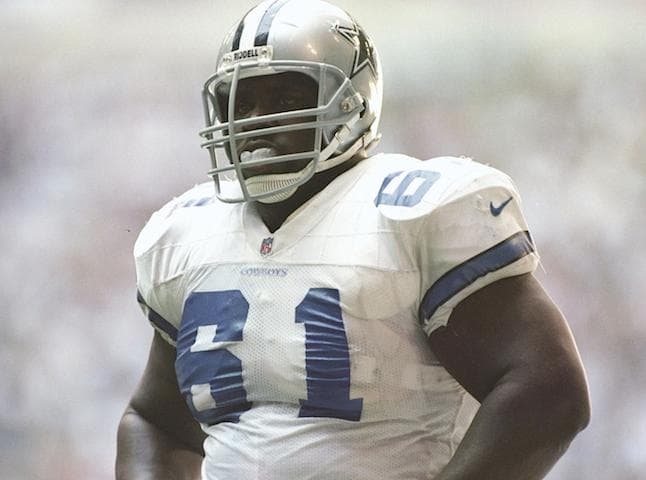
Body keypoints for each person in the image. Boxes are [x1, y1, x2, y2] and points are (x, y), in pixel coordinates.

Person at [116, 0, 590, 478]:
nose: (256, 120)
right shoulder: (189, 233)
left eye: (284, 99)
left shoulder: (411, 211)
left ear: (350, 102)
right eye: (241, 103)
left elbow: (548, 392)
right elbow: (156, 422)